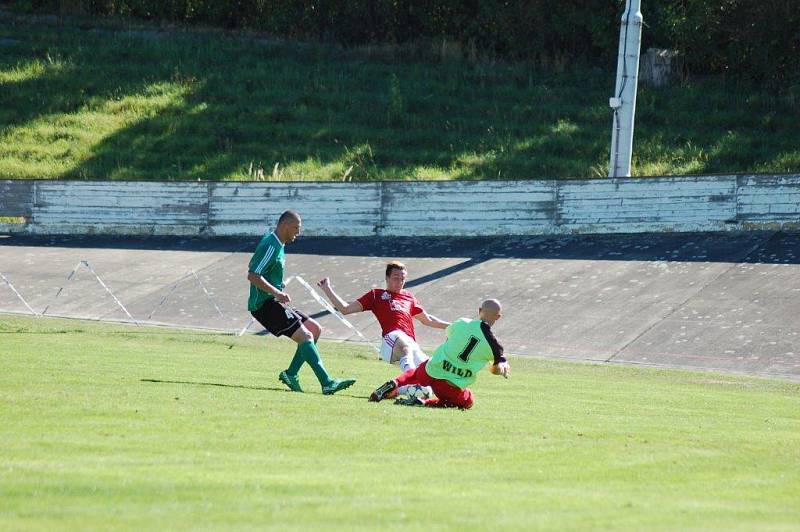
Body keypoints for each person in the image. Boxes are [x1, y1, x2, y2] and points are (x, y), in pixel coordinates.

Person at [247, 209, 355, 395]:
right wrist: (276, 292)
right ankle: (327, 382)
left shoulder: (278, 244)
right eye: (296, 228)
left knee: (314, 329)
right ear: (285, 225)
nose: (298, 232)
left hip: (274, 301)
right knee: (305, 336)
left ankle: (291, 374)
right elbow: (253, 275)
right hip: (264, 305)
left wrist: (278, 290)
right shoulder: (271, 245)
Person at [317, 261, 449, 397]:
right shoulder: (376, 295)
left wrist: (453, 326)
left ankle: (394, 390)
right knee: (405, 346)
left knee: (429, 380)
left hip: (411, 343)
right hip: (391, 341)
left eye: (403, 278)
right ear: (387, 278)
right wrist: (327, 288)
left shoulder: (409, 297)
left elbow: (428, 319)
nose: (400, 282)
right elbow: (345, 309)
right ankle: (409, 381)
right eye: (396, 278)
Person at [368, 299, 510, 409]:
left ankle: (395, 383)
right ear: (498, 317)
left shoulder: (463, 322)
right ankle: (423, 403)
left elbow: (449, 336)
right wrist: (502, 368)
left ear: (479, 310)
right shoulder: (494, 346)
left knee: (415, 373)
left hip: (432, 367)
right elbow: (499, 365)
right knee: (468, 400)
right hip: (449, 385)